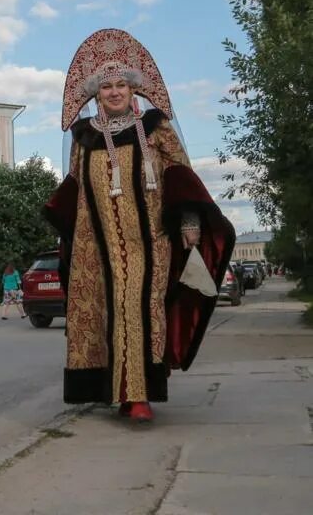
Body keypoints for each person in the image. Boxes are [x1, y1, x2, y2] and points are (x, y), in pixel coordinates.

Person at [44, 29, 235, 424]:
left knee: (141, 307)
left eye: (121, 85)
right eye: (107, 87)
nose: (114, 92)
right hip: (98, 244)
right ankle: (112, 389)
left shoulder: (154, 126)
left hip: (151, 241)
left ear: (133, 91)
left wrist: (188, 219)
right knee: (107, 310)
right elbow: (77, 186)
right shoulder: (84, 137)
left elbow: (180, 171)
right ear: (96, 95)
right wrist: (64, 230)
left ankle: (138, 395)